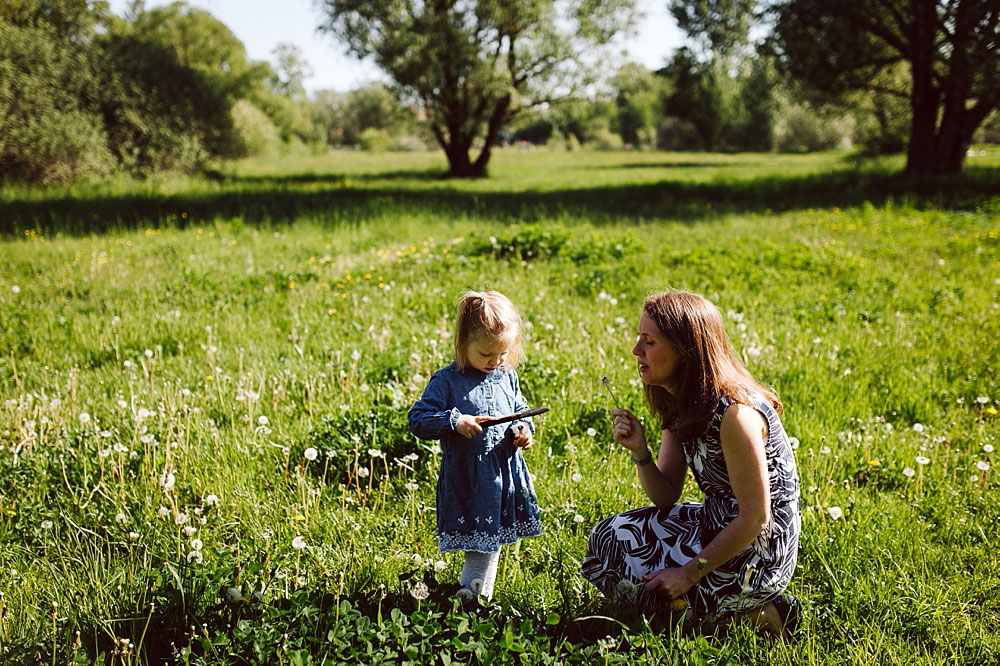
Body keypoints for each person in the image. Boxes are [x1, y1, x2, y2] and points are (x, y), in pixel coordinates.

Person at [580, 290, 801, 638]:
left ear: (685, 350)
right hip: (713, 521)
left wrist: (685, 573)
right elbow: (666, 496)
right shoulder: (680, 401)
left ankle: (765, 613)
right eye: (639, 339)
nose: (637, 351)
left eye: (649, 341)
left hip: (758, 548)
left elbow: (756, 517)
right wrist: (641, 451)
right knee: (608, 538)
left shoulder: (735, 415)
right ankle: (695, 613)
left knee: (672, 594)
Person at [408, 290, 542, 601]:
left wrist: (523, 430)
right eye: (486, 354)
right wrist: (454, 421)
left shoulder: (506, 375)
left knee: (489, 542)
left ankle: (474, 598)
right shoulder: (446, 382)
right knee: (482, 543)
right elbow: (418, 419)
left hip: (503, 475)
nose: (495, 362)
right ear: (463, 343)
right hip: (469, 478)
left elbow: (519, 408)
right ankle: (472, 599)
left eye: (503, 353)